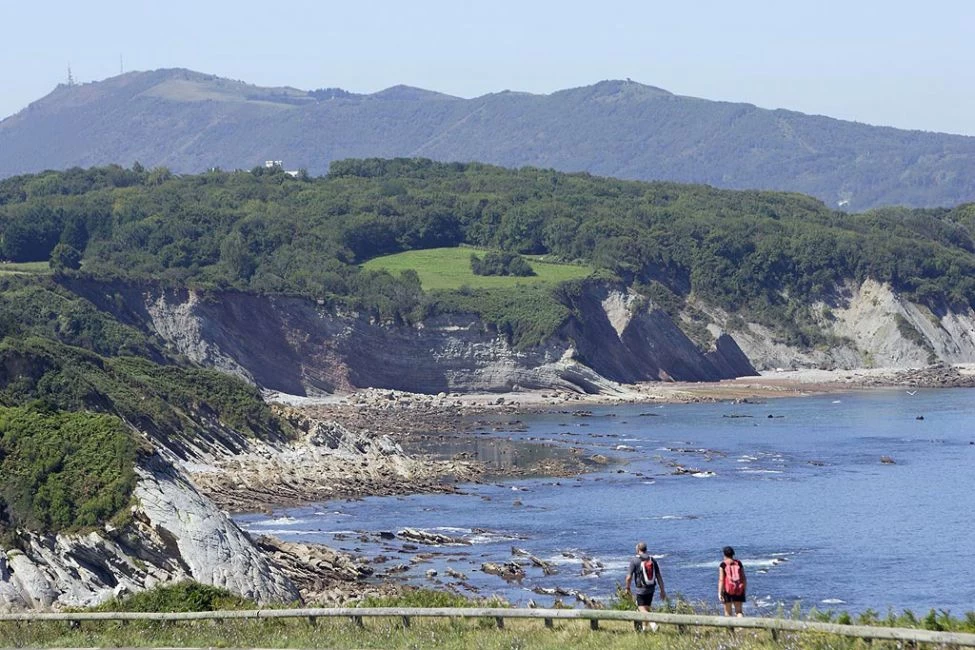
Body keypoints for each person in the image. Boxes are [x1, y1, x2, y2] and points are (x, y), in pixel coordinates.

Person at [625, 541, 666, 631]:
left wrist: (627, 588)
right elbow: (659, 576)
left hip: (641, 589)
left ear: (638, 550)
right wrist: (662, 590)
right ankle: (644, 630)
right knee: (646, 608)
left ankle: (653, 624)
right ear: (646, 549)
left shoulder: (634, 560)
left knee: (641, 610)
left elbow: (628, 577)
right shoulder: (652, 560)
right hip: (651, 589)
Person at [718, 545, 746, 616]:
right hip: (739, 589)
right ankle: (741, 627)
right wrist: (744, 589)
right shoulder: (739, 563)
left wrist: (720, 593)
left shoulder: (723, 565)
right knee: (739, 611)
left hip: (728, 590)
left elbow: (721, 580)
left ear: (724, 554)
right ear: (733, 554)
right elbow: (743, 578)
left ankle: (730, 627)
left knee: (728, 612)